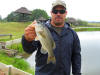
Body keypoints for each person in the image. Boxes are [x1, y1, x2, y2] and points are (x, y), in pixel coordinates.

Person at [22, 0, 81, 75]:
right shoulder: (41, 29)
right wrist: (26, 39)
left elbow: (76, 56)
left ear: (66, 13)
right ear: (51, 13)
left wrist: (77, 73)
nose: (58, 14)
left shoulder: (73, 34)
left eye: (62, 11)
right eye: (55, 11)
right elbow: (28, 50)